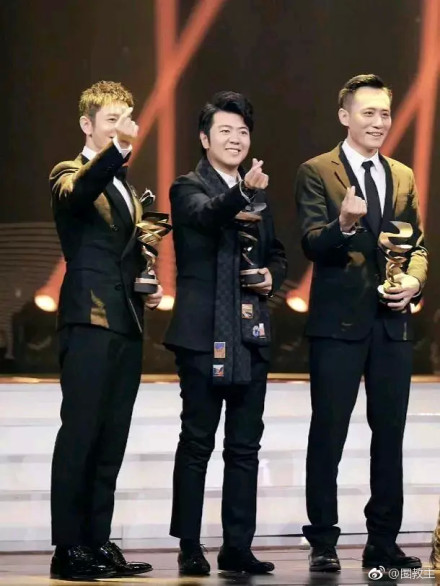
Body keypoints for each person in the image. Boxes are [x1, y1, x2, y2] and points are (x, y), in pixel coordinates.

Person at [295, 74, 428, 572]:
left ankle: (383, 541)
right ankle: (323, 541)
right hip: (338, 324)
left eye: (385, 113)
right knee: (328, 432)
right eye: (368, 112)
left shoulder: (403, 175)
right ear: (344, 116)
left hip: (392, 324)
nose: (378, 122)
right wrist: (344, 224)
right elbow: (312, 242)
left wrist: (414, 281)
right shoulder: (316, 171)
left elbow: (417, 244)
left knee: (389, 434)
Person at [164, 91, 287, 575]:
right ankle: (189, 544)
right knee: (197, 442)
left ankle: (237, 546)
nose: (235, 139)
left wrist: (272, 276)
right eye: (225, 131)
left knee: (244, 446)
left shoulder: (259, 194)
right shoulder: (186, 186)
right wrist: (241, 193)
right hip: (201, 335)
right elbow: (206, 214)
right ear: (204, 138)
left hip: (250, 332)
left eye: (242, 132)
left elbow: (276, 252)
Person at [49, 80, 161, 580]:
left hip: (126, 320)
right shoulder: (68, 172)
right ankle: (68, 547)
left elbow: (127, 251)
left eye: (125, 119)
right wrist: (116, 150)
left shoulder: (127, 187)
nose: (122, 128)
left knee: (112, 437)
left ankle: (97, 540)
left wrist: (148, 281)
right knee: (81, 434)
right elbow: (78, 196)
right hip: (88, 318)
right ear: (86, 124)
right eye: (111, 120)